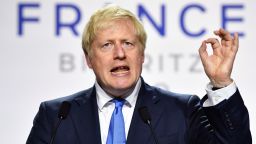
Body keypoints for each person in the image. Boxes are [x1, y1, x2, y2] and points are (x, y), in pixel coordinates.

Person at [26, 5, 251, 144]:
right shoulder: (56, 116)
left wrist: (221, 82)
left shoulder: (181, 111)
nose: (120, 53)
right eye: (106, 45)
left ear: (142, 55)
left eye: (128, 43)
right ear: (89, 59)